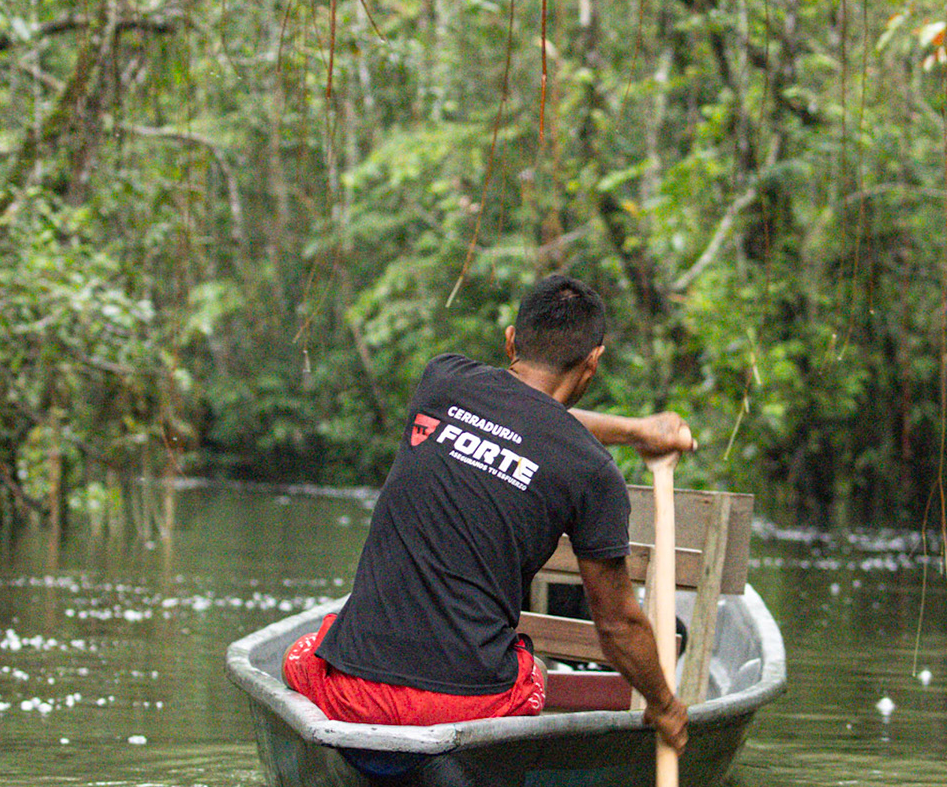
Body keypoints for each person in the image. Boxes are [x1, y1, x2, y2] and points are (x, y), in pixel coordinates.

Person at [282, 274, 694, 753]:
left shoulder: (442, 379)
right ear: (593, 362)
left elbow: (525, 417)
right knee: (533, 672)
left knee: (303, 652)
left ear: (511, 340)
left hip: (351, 692)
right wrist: (665, 705)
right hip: (465, 707)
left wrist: (636, 432)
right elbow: (619, 624)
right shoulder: (593, 472)